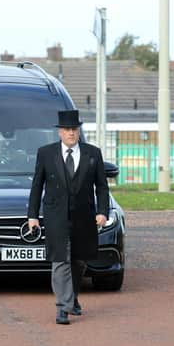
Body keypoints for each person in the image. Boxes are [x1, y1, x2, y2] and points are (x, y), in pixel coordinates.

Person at [27, 109, 109, 325]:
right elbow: (37, 185)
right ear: (59, 133)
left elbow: (102, 186)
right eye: (67, 130)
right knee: (60, 259)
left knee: (79, 260)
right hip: (56, 216)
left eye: (74, 129)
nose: (71, 133)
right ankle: (63, 307)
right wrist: (32, 215)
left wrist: (102, 212)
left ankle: (72, 298)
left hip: (85, 215)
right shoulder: (45, 153)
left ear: (79, 131)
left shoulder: (93, 153)